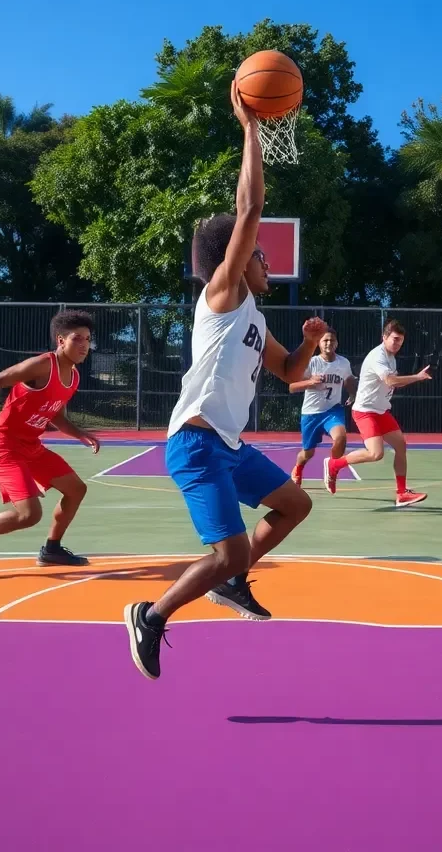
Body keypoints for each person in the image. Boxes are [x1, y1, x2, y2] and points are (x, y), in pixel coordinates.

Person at [123, 80, 329, 681]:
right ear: (234, 260)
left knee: (294, 504)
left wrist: (311, 344)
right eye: (259, 254)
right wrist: (250, 129)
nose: (267, 261)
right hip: (195, 441)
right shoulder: (223, 295)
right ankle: (152, 615)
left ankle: (233, 581)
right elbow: (248, 210)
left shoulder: (254, 320)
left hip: (230, 446)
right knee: (231, 548)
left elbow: (292, 374)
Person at [0, 309, 100, 576]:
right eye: (77, 338)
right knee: (29, 515)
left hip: (31, 446)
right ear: (61, 340)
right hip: (5, 446)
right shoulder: (43, 365)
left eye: (87, 338)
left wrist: (80, 433)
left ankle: (52, 549)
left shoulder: (73, 376)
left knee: (76, 490)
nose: (84, 345)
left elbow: (55, 414)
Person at [323, 319, 431, 507]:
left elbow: (391, 383)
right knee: (376, 454)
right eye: (395, 339)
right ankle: (334, 465)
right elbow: (390, 381)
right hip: (365, 412)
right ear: (384, 337)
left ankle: (401, 493)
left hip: (381, 411)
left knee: (400, 445)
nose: (397, 344)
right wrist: (417, 377)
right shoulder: (378, 357)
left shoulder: (391, 357)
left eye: (401, 341)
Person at [288, 328, 355, 486]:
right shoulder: (312, 363)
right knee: (308, 453)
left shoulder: (343, 363)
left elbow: (349, 380)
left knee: (341, 437)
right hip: (311, 413)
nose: (329, 343)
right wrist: (310, 382)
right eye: (325, 340)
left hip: (333, 410)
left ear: (336, 343)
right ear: (319, 343)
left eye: (332, 340)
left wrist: (353, 394)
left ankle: (332, 468)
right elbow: (292, 386)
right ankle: (298, 468)